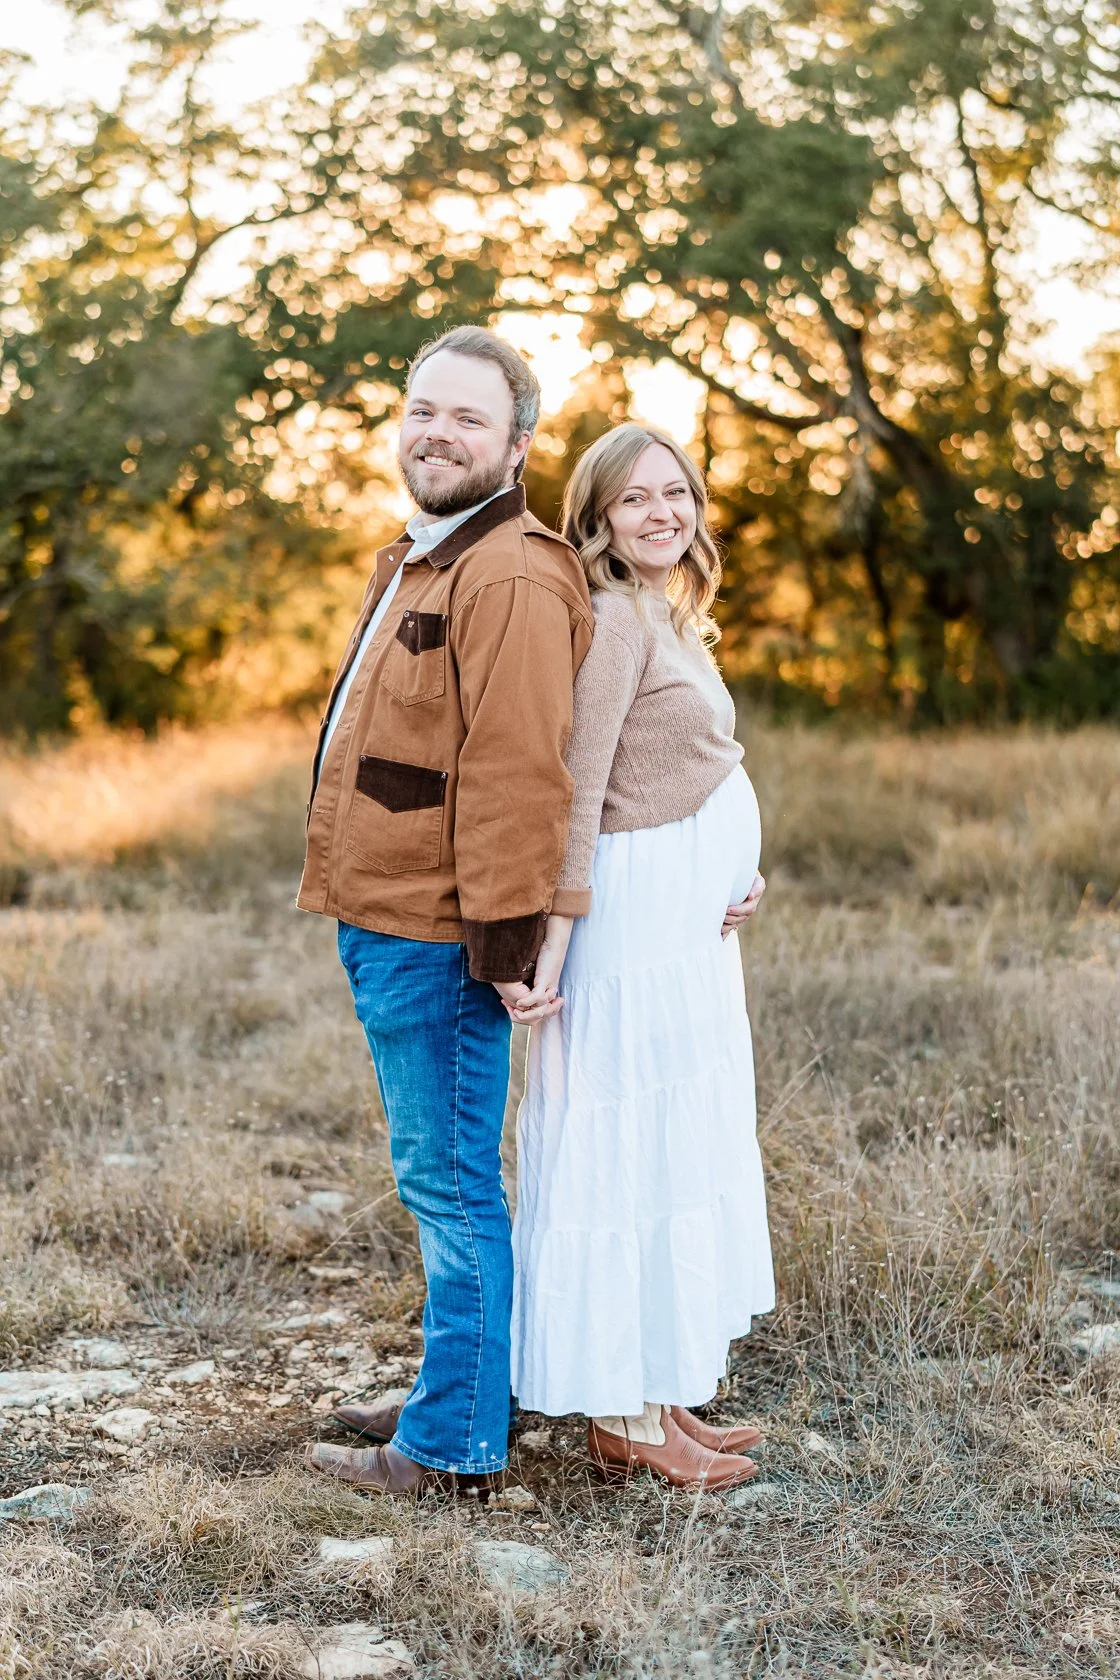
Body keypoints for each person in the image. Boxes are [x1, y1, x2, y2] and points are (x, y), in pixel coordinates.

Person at [298, 326, 593, 1495]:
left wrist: (506, 941)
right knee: (441, 1178)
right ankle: (461, 1388)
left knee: (451, 1184)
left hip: (438, 935)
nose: (438, 433)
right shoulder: (423, 555)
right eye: (424, 409)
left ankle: (452, 1444)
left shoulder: (509, 571)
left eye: (469, 417)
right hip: (382, 916)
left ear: (516, 445)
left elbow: (521, 769)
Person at [508, 422, 774, 1491]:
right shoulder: (614, 616)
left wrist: (736, 869)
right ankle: (621, 1413)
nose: (661, 513)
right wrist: (555, 936)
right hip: (627, 931)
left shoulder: (668, 609)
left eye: (676, 492)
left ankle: (658, 1390)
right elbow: (577, 786)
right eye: (635, 498)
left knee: (675, 1146)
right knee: (626, 1148)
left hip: (684, 929)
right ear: (599, 517)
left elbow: (693, 764)